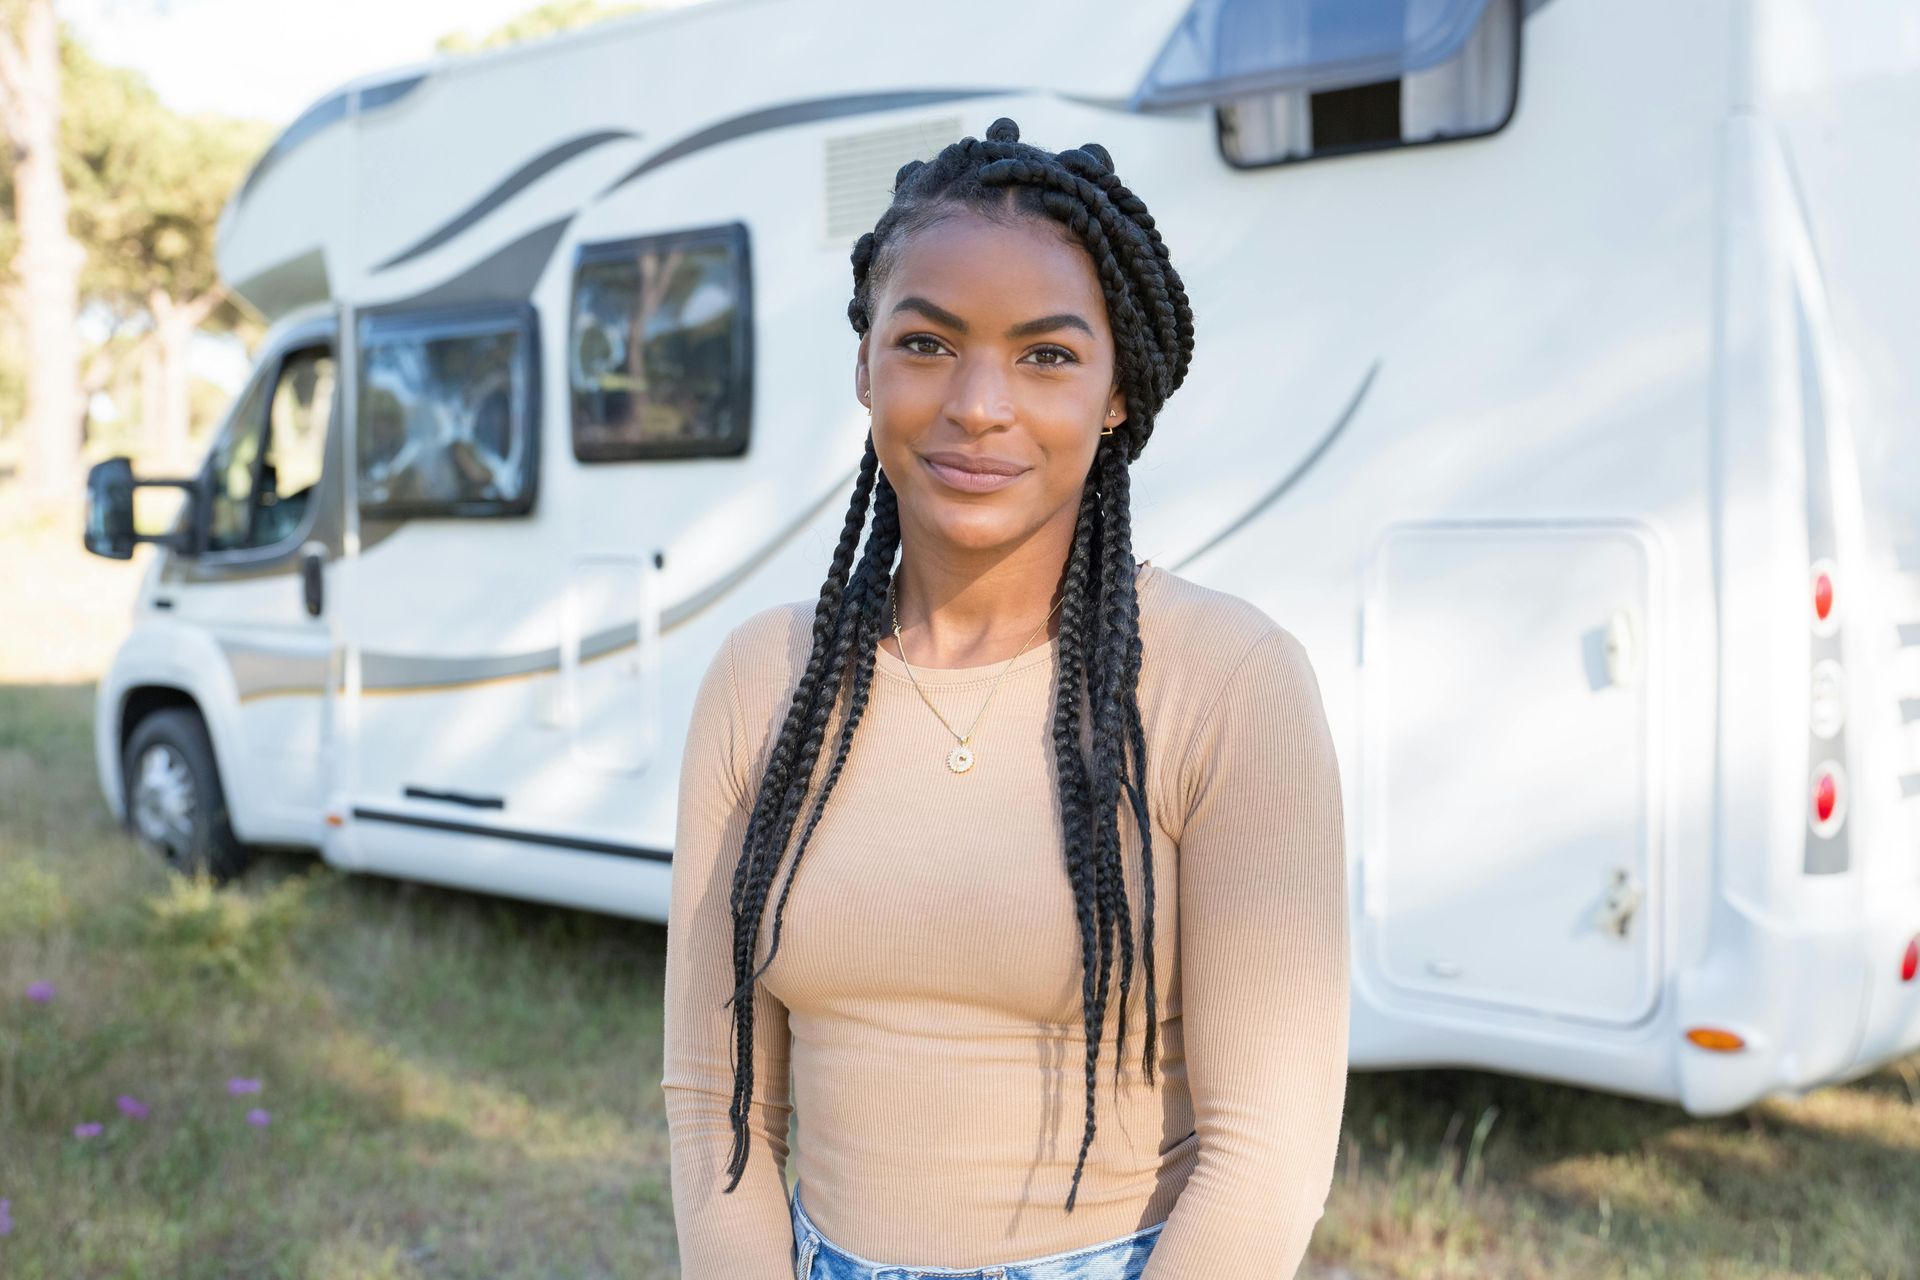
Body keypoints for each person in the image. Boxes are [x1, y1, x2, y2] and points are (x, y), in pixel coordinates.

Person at [663, 116, 1349, 1280]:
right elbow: (710, 1100)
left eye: (1046, 355)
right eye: (928, 343)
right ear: (866, 363)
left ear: (1118, 389)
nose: (979, 404)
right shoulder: (761, 682)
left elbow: (1267, 1153)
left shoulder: (1224, 681)